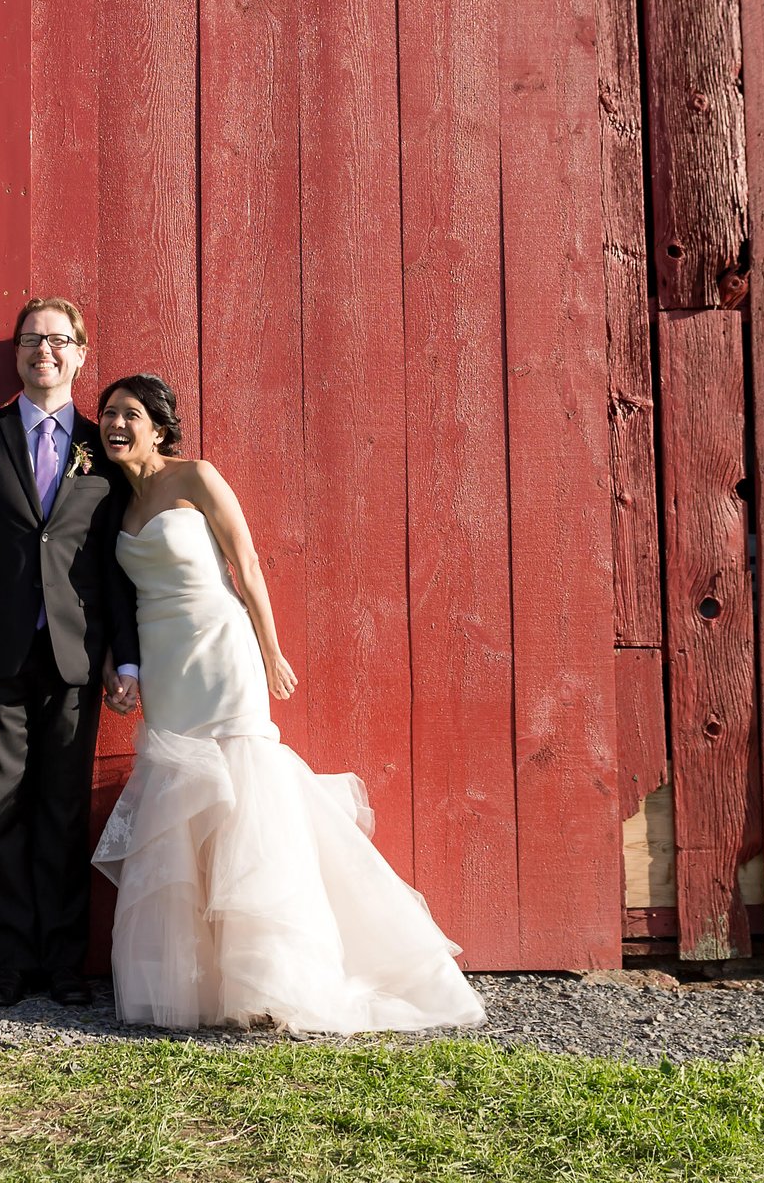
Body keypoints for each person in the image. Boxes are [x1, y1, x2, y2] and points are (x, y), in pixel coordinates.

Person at [88, 372, 487, 1034]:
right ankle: (200, 982)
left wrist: (270, 650)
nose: (116, 424)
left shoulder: (198, 477)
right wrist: (117, 668)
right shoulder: (118, 508)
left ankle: (270, 981)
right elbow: (117, 601)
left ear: (158, 427)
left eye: (130, 414)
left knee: (248, 797)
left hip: (221, 649)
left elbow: (246, 563)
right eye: (107, 415)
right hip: (165, 665)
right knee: (183, 803)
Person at [0, 297, 141, 1007]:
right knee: (2, 807)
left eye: (57, 339)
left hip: (77, 660)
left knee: (62, 811)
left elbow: (116, 565)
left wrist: (126, 658)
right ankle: (12, 964)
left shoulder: (101, 446)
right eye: (30, 339)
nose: (42, 350)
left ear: (79, 353)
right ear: (16, 355)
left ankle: (65, 965)